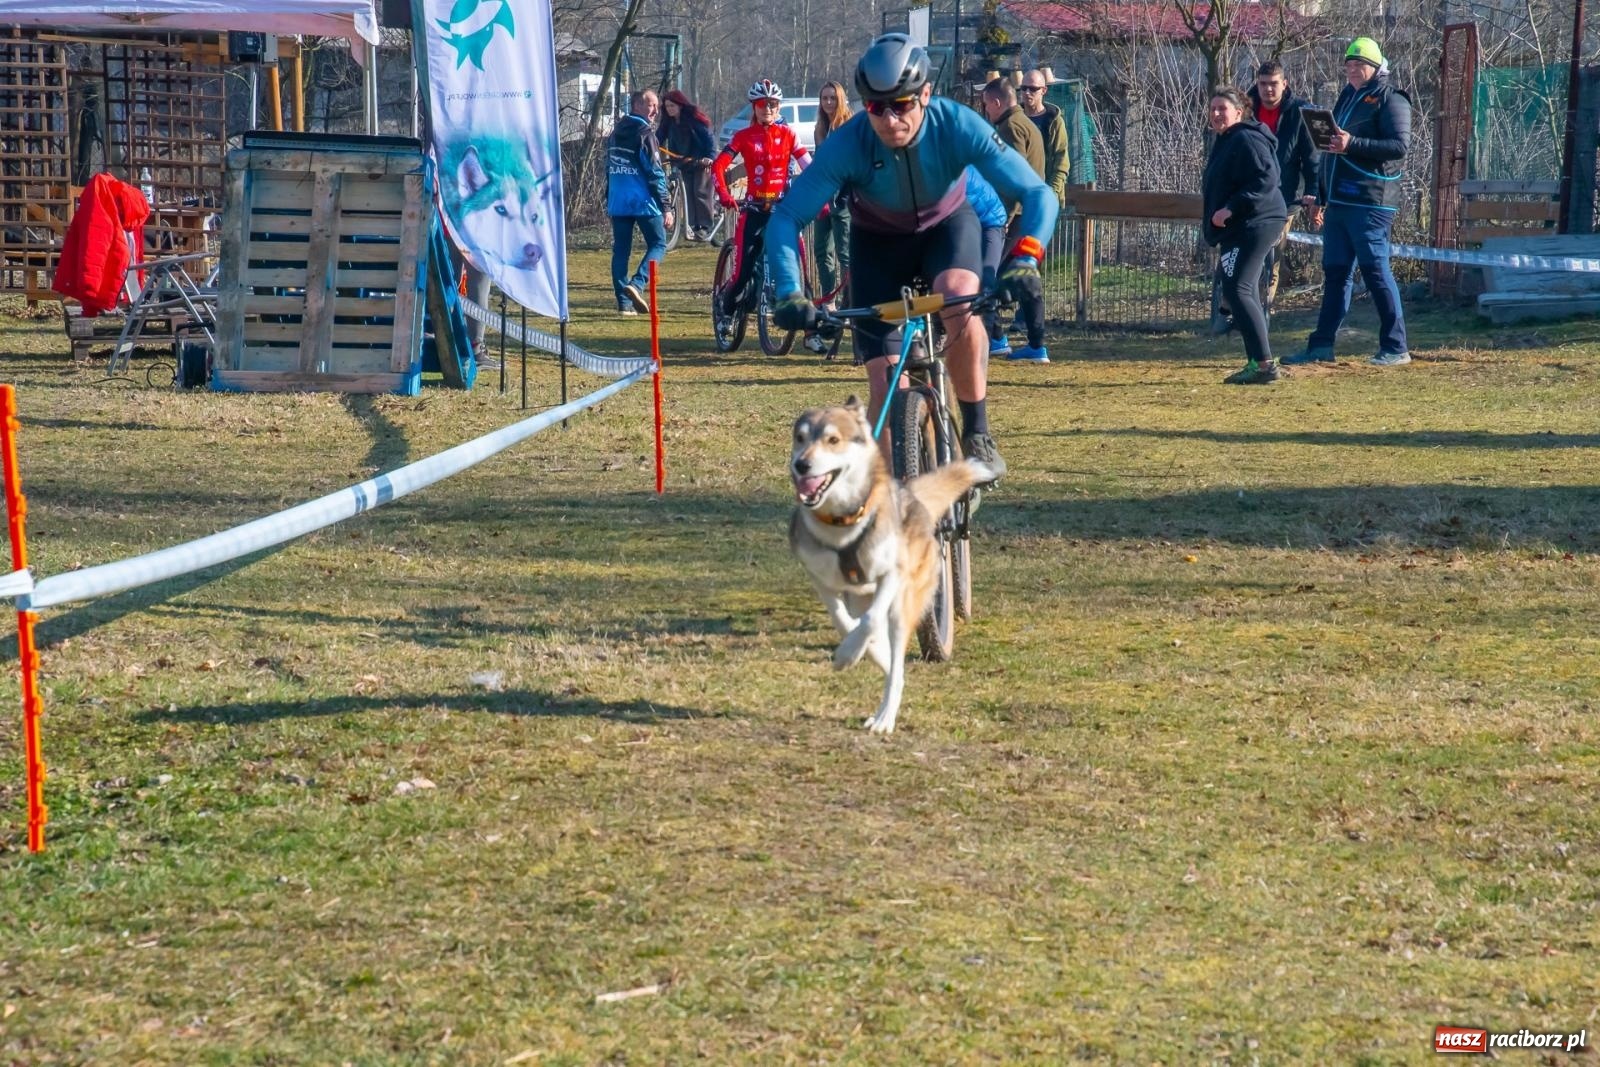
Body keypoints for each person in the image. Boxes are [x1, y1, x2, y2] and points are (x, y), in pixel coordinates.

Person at [766, 34, 1058, 476]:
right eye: (875, 106)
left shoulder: (956, 125)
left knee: (960, 297)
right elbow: (787, 217)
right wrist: (789, 291)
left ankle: (977, 431)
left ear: (924, 94)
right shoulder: (849, 143)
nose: (888, 119)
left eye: (900, 104)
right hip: (877, 243)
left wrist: (1026, 257)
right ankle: (901, 495)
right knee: (885, 384)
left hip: (947, 227)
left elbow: (1037, 193)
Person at [1283, 36, 1412, 367]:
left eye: (1360, 65)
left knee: (1375, 271)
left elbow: (1398, 146)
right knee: (1336, 273)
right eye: (1349, 65)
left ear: (1376, 67)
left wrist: (1352, 143)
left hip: (1371, 202)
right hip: (1339, 202)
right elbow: (1331, 151)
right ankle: (1321, 346)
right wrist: (1320, 195)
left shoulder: (1391, 99)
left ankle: (1395, 346)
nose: (1353, 70)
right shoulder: (1346, 96)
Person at [1202, 87, 1288, 385]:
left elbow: (1267, 178)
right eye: (1212, 108)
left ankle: (1264, 365)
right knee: (1240, 289)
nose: (1216, 114)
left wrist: (1231, 207)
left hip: (1257, 221)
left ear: (1239, 112)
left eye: (1222, 108)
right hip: (1240, 225)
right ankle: (1256, 362)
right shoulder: (1226, 139)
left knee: (1238, 288)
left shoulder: (1246, 138)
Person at [711, 79, 810, 328]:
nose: (768, 108)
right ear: (754, 107)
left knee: (795, 260)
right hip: (754, 209)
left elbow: (810, 167)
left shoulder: (789, 134)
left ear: (779, 107)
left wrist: (821, 199)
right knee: (742, 272)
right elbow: (718, 166)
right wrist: (723, 194)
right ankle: (726, 310)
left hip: (781, 210)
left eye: (773, 104)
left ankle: (805, 325)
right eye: (762, 104)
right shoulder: (743, 136)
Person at [981, 77, 1050, 364]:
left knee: (987, 275)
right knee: (1026, 278)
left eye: (986, 105)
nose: (986, 111)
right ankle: (1036, 345)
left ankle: (996, 338)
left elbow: (1012, 176)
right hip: (1032, 215)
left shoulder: (1009, 128)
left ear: (997, 103)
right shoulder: (1028, 124)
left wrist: (1004, 218)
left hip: (1016, 216)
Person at [607, 89, 673, 316]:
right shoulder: (645, 134)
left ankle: (624, 305)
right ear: (637, 105)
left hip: (618, 201)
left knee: (621, 251)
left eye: (657, 106)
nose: (655, 111)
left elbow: (608, 168)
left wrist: (608, 197)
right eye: (651, 105)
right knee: (659, 244)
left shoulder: (615, 133)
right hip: (643, 202)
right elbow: (655, 172)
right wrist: (666, 206)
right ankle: (637, 283)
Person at [810, 81, 853, 308]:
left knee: (844, 252)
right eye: (824, 98)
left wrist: (844, 195)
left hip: (842, 198)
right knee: (821, 250)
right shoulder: (820, 128)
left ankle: (850, 301)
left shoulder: (847, 127)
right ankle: (829, 300)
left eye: (832, 98)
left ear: (840, 100)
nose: (828, 102)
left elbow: (852, 165)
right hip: (822, 198)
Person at [657, 89, 717, 241]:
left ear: (680, 105)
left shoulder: (694, 119)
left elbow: (709, 138)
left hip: (700, 161)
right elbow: (658, 138)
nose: (669, 109)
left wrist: (710, 157)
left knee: (700, 192)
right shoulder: (668, 122)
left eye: (672, 106)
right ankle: (693, 226)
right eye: (667, 106)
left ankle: (705, 226)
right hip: (682, 162)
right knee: (688, 194)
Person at [965, 165, 1013, 357]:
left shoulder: (956, 173)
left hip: (992, 223)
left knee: (986, 278)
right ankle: (997, 338)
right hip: (971, 222)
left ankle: (988, 340)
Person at [1018, 70, 1070, 204]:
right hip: (1018, 197)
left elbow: (1062, 162)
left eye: (1033, 89)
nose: (1027, 92)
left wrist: (1051, 193)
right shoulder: (1015, 120)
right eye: (1023, 88)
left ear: (1044, 90)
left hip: (1046, 196)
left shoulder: (1054, 122)